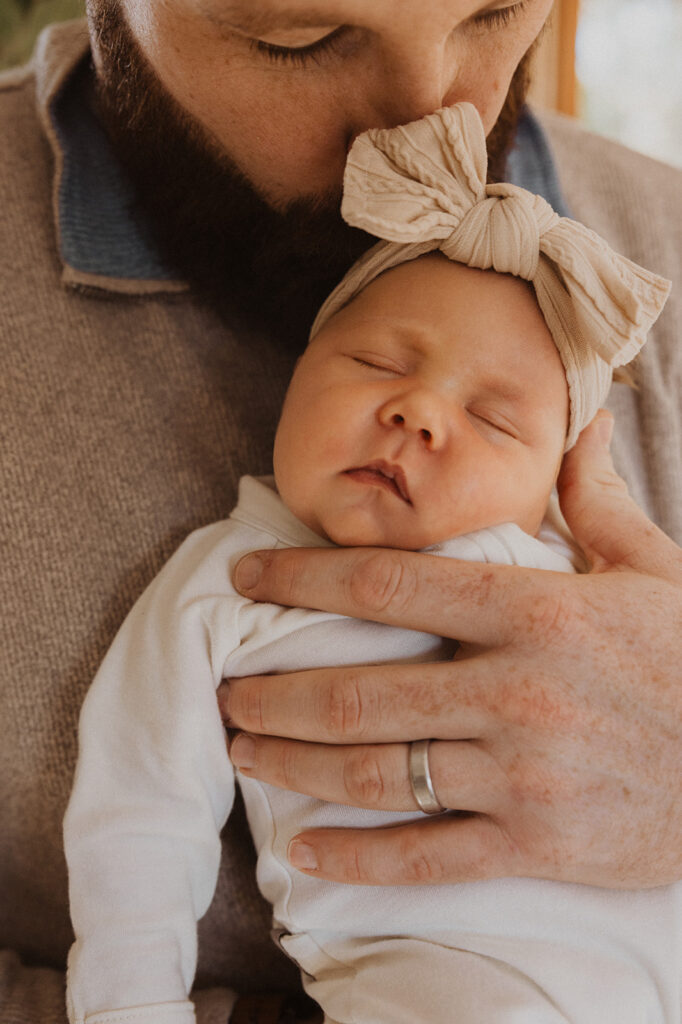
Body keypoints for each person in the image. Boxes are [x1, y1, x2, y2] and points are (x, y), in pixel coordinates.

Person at [1, 2, 680, 1022]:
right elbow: (138, 822)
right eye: (299, 39)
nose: (430, 113)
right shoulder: (219, 591)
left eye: (493, 13)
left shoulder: (653, 243)